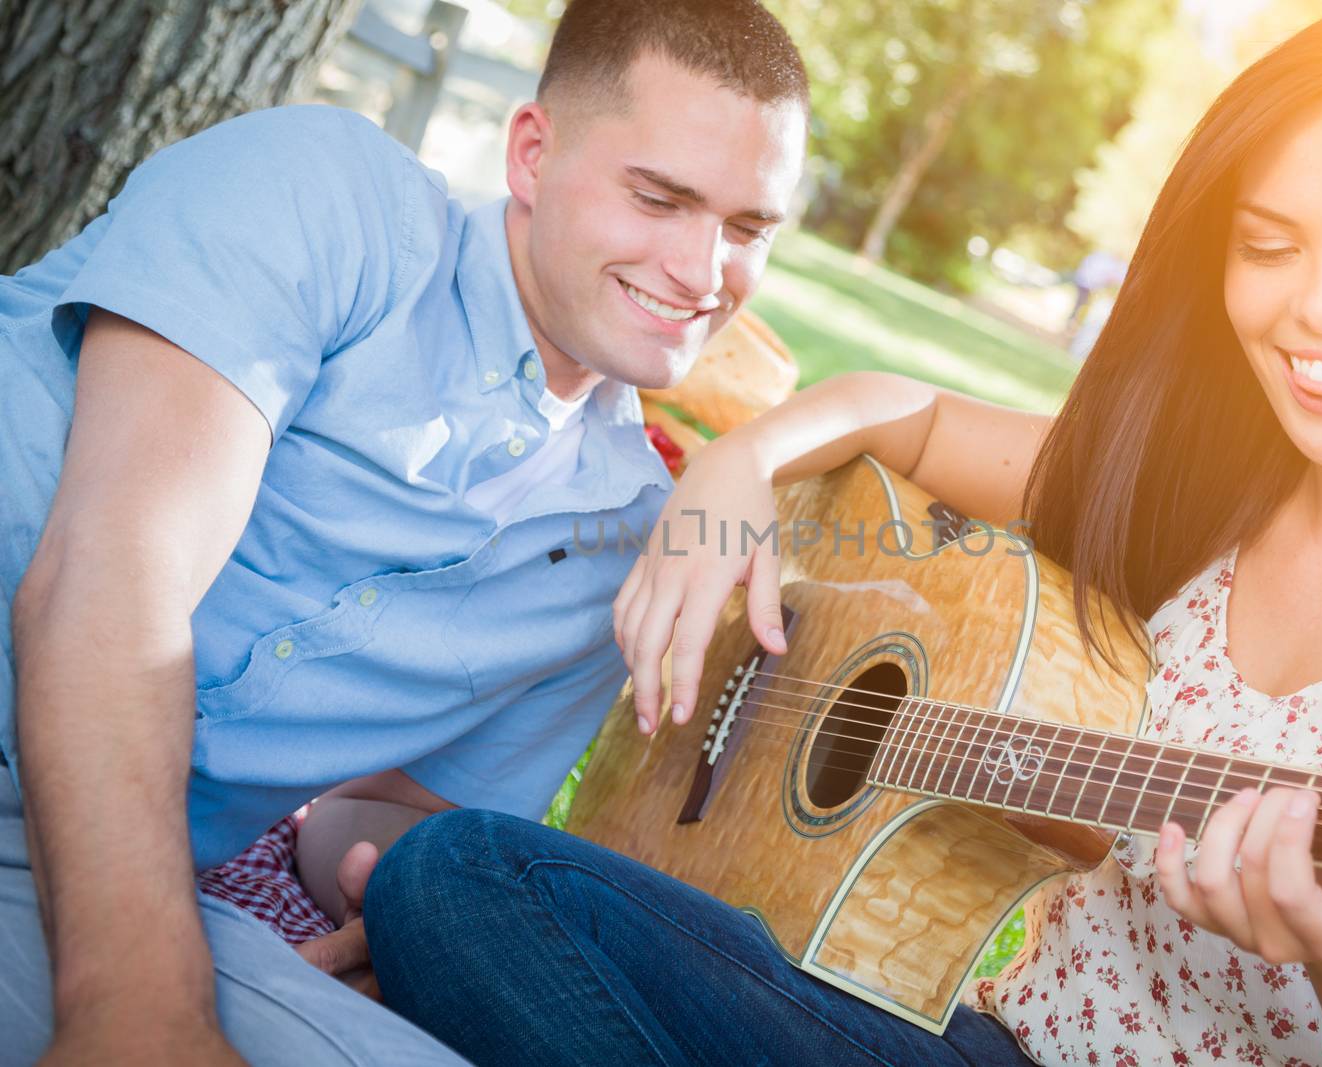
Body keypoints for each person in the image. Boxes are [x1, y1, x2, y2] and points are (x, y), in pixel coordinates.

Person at [364, 3, 1322, 1065]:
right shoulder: (1217, 476)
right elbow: (906, 415)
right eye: (1268, 245)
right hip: (979, 1041)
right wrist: (733, 467)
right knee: (466, 878)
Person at [0, 0, 808, 1062]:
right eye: (658, 197)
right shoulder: (324, 193)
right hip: (113, 900)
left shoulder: (621, 546)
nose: (704, 273)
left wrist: (396, 898)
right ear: (532, 152)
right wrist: (141, 1011)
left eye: (747, 228)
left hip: (80, 869)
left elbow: (383, 809)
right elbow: (109, 581)